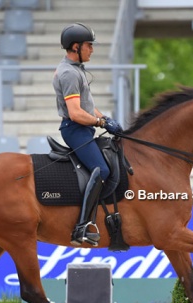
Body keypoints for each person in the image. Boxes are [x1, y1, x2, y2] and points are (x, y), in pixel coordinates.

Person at [53, 22, 123, 247]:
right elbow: (75, 113)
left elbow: (87, 106)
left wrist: (106, 119)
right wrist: (101, 122)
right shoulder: (69, 74)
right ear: (76, 47)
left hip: (84, 127)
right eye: (89, 45)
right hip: (75, 130)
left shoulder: (77, 71)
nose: (92, 50)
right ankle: (82, 226)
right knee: (101, 169)